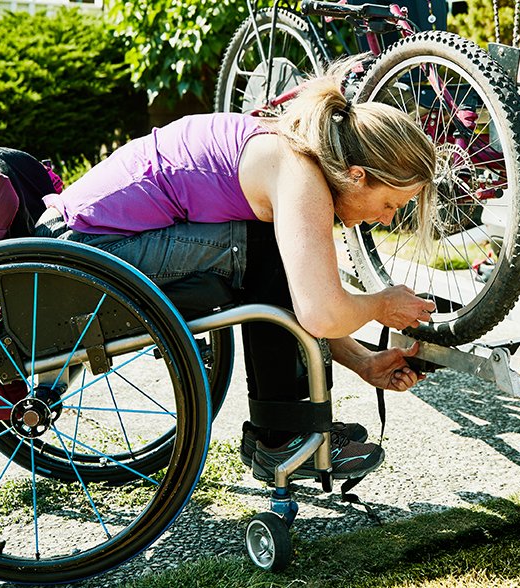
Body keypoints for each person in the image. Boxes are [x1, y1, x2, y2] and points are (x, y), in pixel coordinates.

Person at [34, 62, 438, 483]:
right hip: (85, 247)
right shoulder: (298, 173)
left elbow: (309, 298)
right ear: (358, 176)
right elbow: (320, 311)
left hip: (83, 235)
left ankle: (278, 431)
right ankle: (281, 436)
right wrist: (380, 305)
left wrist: (363, 361)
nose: (388, 220)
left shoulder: (294, 151)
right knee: (263, 248)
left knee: (270, 250)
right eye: (391, 204)